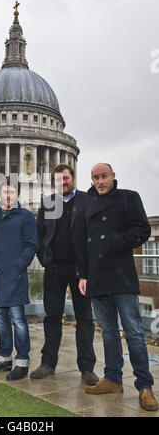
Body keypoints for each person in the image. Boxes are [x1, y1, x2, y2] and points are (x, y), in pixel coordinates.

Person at [78, 163, 158, 411]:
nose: (100, 181)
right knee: (108, 331)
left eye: (104, 176)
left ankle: (145, 386)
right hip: (97, 278)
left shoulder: (128, 198)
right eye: (95, 177)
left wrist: (113, 241)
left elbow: (143, 230)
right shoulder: (87, 203)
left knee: (133, 332)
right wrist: (83, 275)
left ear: (113, 177)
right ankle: (112, 378)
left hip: (122, 275)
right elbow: (81, 242)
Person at [30, 164, 98, 385]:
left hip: (81, 270)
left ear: (73, 178)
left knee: (85, 318)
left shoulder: (88, 200)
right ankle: (48, 363)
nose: (63, 183)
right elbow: (39, 232)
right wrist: (45, 259)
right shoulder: (48, 202)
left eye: (66, 178)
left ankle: (87, 368)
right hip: (55, 267)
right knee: (52, 317)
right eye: (58, 180)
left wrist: (87, 267)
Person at [0, 176, 38, 381]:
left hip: (15, 275)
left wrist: (19, 265)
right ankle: (4, 358)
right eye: (4, 191)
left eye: (11, 192)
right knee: (0, 320)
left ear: (17, 194)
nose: (7, 195)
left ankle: (22, 361)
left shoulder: (26, 216)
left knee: (18, 321)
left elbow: (32, 244)